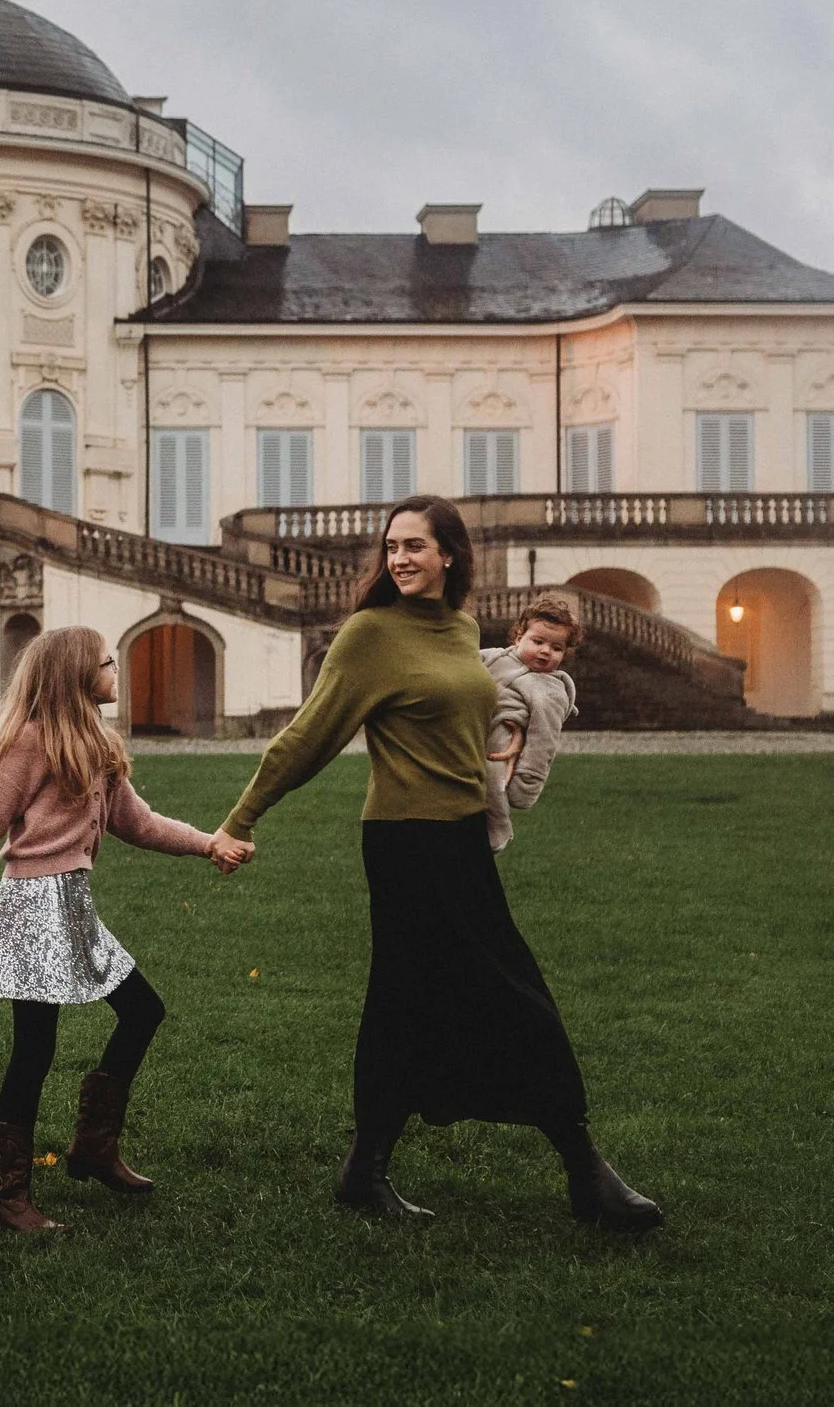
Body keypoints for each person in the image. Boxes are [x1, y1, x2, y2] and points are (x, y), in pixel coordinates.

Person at [216, 496, 662, 1231]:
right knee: (506, 993)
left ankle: (365, 1170)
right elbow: (307, 736)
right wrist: (241, 818)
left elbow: (487, 704)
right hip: (406, 844)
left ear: (449, 553)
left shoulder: (460, 628)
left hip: (461, 837)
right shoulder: (368, 635)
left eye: (415, 546)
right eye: (391, 547)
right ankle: (584, 1169)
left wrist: (512, 741)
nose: (399, 558)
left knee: (413, 1003)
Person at [0, 626, 252, 1233]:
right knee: (35, 1047)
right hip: (32, 903)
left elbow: (138, 822)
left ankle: (94, 1147)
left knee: (143, 1011)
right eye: (108, 665)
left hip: (73, 902)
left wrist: (207, 843)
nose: (116, 672)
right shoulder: (28, 743)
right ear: (75, 677)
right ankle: (8, 1193)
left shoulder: (99, 746)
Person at [482, 594, 582, 852]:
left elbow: (543, 739)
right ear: (519, 638)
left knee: (493, 773)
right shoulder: (494, 657)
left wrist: (528, 780)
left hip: (500, 732)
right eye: (538, 641)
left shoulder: (550, 689)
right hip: (471, 725)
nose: (545, 651)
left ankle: (498, 825)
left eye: (557, 648)